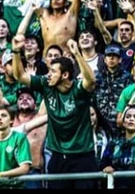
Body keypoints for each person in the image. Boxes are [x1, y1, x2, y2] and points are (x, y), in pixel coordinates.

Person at [11, 35, 99, 189]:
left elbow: (91, 80)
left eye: (53, 71)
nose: (48, 74)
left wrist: (77, 53)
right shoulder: (46, 84)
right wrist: (16, 52)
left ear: (65, 75)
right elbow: (20, 75)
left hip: (83, 155)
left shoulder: (79, 90)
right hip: (57, 154)